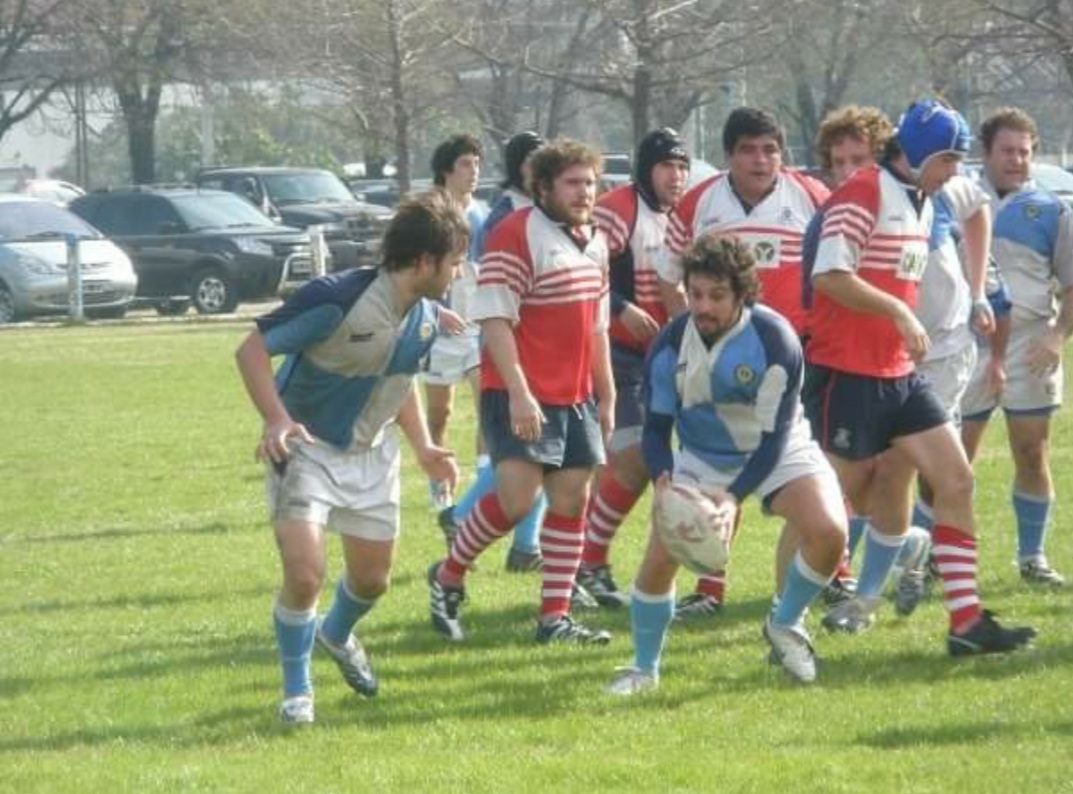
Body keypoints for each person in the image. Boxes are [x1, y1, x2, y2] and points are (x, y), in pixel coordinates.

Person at [805, 99, 1036, 655]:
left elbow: (970, 220)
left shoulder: (924, 201)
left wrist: (973, 296)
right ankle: (785, 620)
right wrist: (901, 313)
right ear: (918, 154)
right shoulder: (863, 193)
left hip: (903, 373)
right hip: (848, 371)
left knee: (954, 479)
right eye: (949, 159)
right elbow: (829, 276)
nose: (956, 171)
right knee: (829, 506)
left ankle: (966, 622)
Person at [235, 190, 466, 724]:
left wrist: (425, 448)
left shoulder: (426, 317)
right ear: (426, 261)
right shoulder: (336, 298)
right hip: (306, 447)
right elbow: (251, 349)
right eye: (454, 260)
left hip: (371, 454)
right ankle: (298, 692)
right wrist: (275, 419)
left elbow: (395, 380)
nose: (459, 271)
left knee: (372, 580)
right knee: (306, 573)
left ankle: (335, 633)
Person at [606, 235, 847, 693]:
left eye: (716, 296)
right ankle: (644, 669)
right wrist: (664, 480)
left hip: (778, 449)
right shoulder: (671, 342)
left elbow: (775, 435)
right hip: (701, 456)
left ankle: (785, 623)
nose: (702, 306)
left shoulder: (774, 340)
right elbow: (656, 430)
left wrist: (734, 498)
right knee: (660, 559)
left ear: (742, 295)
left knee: (830, 532)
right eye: (695, 294)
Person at [428, 139, 616, 644]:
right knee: (515, 500)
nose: (584, 193)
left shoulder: (595, 240)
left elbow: (597, 327)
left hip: (574, 395)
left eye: (590, 183)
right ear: (543, 187)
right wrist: (518, 392)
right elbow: (493, 321)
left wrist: (607, 395)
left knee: (572, 499)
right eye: (572, 183)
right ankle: (447, 578)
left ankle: (553, 618)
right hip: (518, 390)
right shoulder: (514, 234)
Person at [657, 106, 829, 618]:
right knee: (715, 468)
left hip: (794, 361)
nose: (761, 160)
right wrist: (693, 343)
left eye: (770, 149)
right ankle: (711, 588)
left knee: (806, 469)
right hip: (719, 368)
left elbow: (839, 268)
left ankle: (828, 574)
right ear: (729, 155)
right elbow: (669, 275)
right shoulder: (698, 204)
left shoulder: (811, 199)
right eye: (749, 150)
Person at [575, 128, 690, 608]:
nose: (677, 176)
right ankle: (587, 561)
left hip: (666, 357)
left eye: (683, 166)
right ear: (647, 169)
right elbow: (585, 266)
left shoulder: (684, 216)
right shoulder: (619, 208)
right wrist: (621, 308)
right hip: (619, 358)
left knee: (647, 465)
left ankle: (580, 560)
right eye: (667, 165)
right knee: (635, 458)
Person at [959, 107, 1073, 587]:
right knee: (951, 458)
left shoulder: (1053, 209)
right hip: (967, 344)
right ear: (986, 153)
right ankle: (927, 561)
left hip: (1030, 343)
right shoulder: (957, 198)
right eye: (1007, 151)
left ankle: (1032, 558)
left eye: (1025, 151)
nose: (1017, 160)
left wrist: (1056, 335)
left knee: (1031, 452)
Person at [437, 131, 550, 573]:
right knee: (525, 452)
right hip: (510, 345)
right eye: (540, 164)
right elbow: (495, 290)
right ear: (523, 168)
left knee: (541, 451)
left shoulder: (540, 211)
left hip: (542, 347)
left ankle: (525, 547)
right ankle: (462, 514)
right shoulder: (503, 216)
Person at [424, 134, 488, 509]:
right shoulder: (430, 213)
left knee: (488, 408)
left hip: (478, 327)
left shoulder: (483, 212)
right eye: (466, 163)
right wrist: (436, 309)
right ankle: (439, 481)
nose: (474, 171)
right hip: (439, 329)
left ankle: (484, 485)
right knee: (439, 412)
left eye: (477, 164)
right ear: (447, 169)